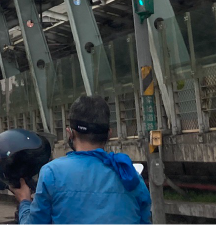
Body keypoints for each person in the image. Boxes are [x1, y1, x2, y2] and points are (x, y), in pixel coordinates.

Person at [14, 96, 152, 224]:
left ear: (70, 133)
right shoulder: (130, 174)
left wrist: (24, 201)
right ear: (109, 134)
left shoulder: (51, 173)